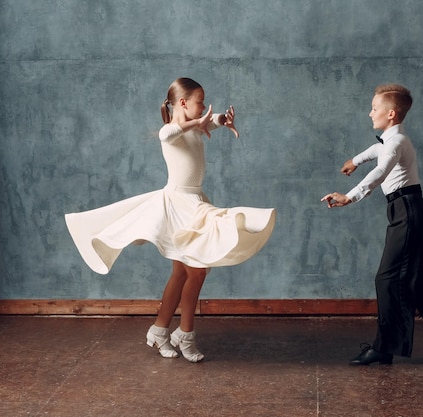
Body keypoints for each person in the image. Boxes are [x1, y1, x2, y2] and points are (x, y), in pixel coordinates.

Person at [65, 78, 276, 362]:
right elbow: (169, 134)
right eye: (199, 101)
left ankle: (160, 330)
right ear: (183, 103)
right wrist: (201, 121)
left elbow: (208, 122)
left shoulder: (195, 127)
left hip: (195, 202)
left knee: (183, 273)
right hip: (177, 205)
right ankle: (185, 335)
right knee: (197, 271)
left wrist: (219, 119)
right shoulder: (171, 130)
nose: (203, 106)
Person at [321, 83, 423, 366]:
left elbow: (381, 168)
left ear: (391, 114)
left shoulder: (397, 143)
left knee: (387, 279)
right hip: (408, 211)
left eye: (374, 108)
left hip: (408, 212)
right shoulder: (393, 139)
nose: (370, 113)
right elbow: (375, 151)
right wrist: (354, 160)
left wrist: (349, 197)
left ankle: (385, 347)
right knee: (412, 283)